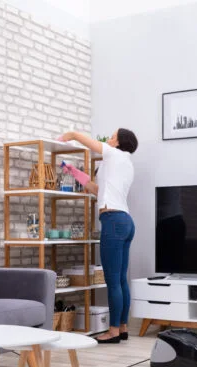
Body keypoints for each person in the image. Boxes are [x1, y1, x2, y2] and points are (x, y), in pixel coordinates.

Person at [58, 129, 138, 343]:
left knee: (113, 281)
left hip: (113, 221)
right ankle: (121, 328)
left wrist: (72, 134)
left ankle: (112, 331)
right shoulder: (124, 163)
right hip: (125, 221)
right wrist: (73, 171)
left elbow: (93, 144)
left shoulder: (114, 154)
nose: (108, 139)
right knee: (120, 280)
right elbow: (97, 189)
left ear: (119, 142)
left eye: (112, 136)